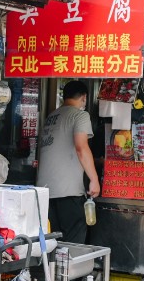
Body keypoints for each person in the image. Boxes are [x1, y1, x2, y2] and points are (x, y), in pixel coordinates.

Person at [37, 80, 100, 244]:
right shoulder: (80, 115)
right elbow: (81, 147)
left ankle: (53, 271)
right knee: (73, 243)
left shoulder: (51, 117)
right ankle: (69, 271)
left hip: (45, 193)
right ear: (84, 98)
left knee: (53, 243)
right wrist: (94, 180)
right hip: (68, 193)